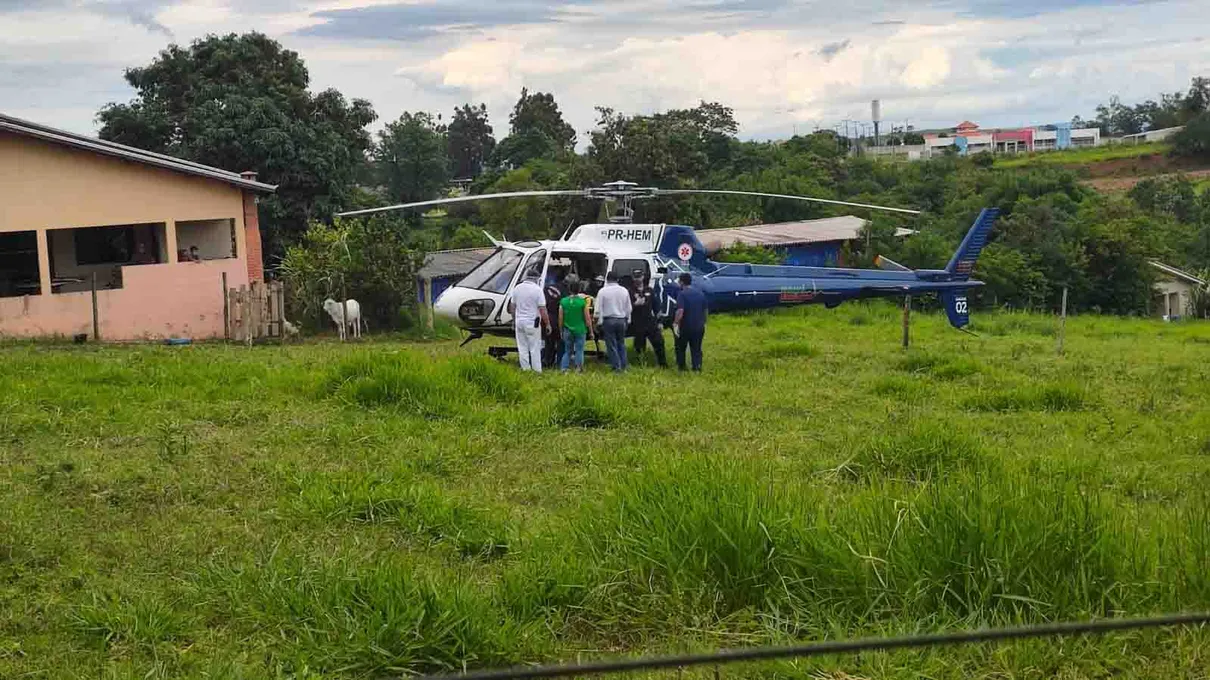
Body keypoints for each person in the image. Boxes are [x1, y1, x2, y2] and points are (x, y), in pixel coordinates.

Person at [506, 273, 550, 372]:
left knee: (522, 347)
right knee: (534, 347)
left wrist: (514, 320)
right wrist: (547, 324)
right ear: (536, 278)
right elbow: (542, 309)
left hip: (519, 321)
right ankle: (537, 370)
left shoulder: (517, 288)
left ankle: (525, 368)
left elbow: (512, 306)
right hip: (532, 322)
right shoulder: (537, 290)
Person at [596, 271, 632, 372]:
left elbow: (598, 309)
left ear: (607, 279)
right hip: (621, 320)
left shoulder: (603, 291)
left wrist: (598, 322)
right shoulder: (624, 290)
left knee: (611, 345)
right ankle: (624, 365)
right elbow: (628, 308)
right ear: (618, 279)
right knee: (621, 343)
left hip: (609, 320)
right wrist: (628, 320)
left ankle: (616, 366)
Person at [630, 273, 668, 367]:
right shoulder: (630, 291)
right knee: (639, 346)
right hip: (637, 322)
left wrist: (660, 321)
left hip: (650, 321)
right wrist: (635, 304)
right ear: (633, 278)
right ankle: (641, 364)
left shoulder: (649, 290)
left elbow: (657, 308)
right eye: (636, 277)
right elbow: (626, 308)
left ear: (642, 277)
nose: (637, 279)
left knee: (659, 342)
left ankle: (663, 364)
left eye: (639, 277)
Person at [673, 272, 708, 372]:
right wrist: (704, 321)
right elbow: (705, 310)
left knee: (681, 348)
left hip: (686, 326)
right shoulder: (700, 293)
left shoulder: (682, 294)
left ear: (682, 282)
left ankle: (682, 368)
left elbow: (680, 311)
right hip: (699, 326)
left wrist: (675, 323)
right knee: (696, 348)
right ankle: (697, 367)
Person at [559, 280, 593, 372]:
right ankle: (578, 368)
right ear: (579, 289)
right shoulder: (582, 302)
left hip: (567, 329)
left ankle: (564, 368)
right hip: (580, 329)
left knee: (567, 351)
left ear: (569, 289)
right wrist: (591, 331)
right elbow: (587, 318)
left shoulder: (563, 301)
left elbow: (561, 318)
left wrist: (561, 330)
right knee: (579, 350)